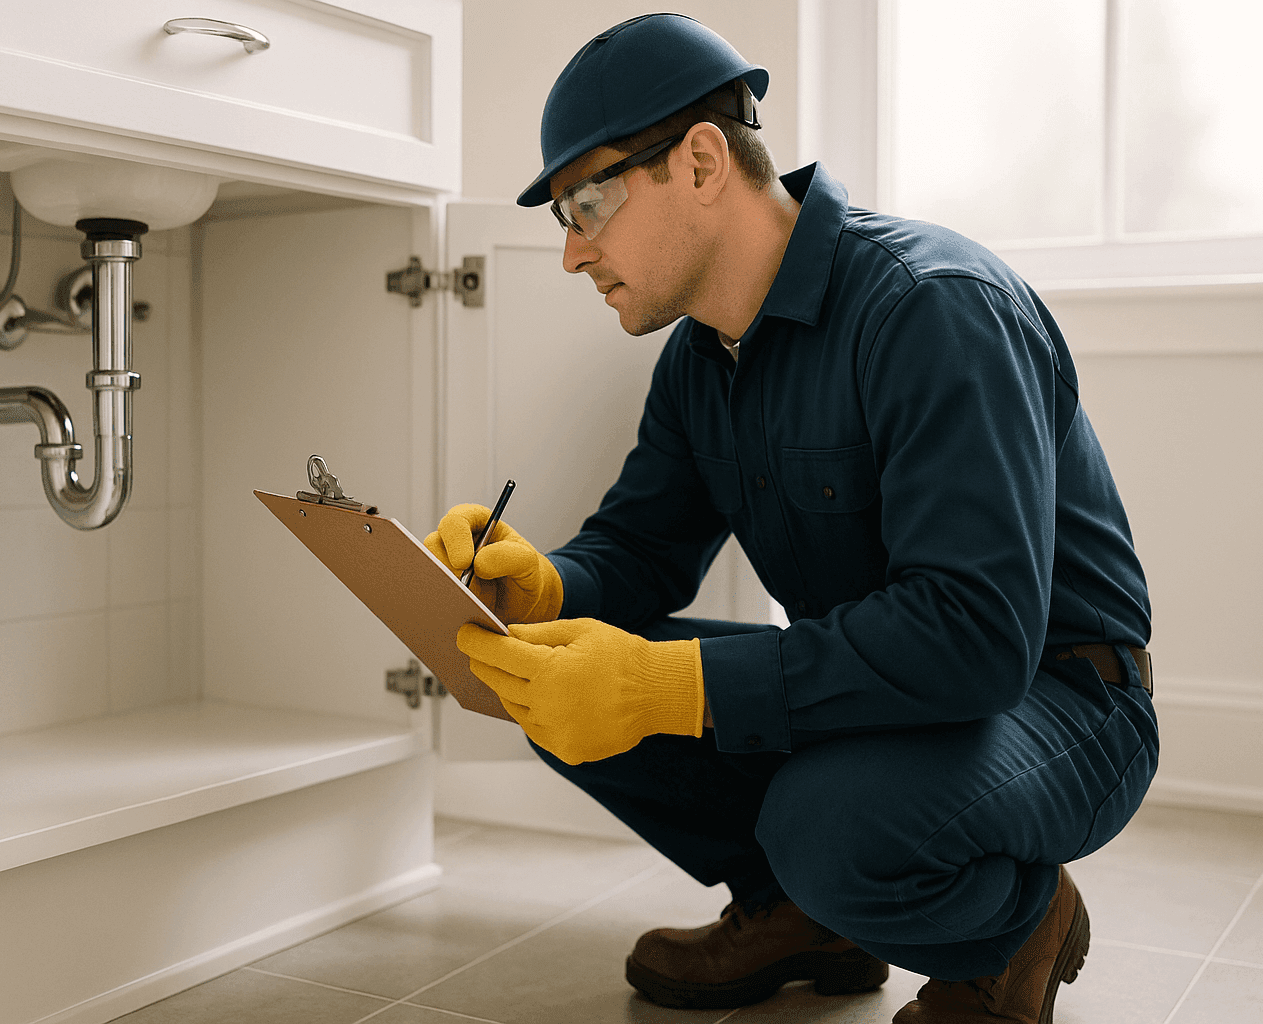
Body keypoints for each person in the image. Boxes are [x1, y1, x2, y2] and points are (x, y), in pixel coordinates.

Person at [424, 13, 1157, 1022]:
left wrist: (661, 685)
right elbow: (638, 550)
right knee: (553, 669)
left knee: (830, 823)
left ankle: (1010, 923)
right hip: (893, 700)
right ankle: (811, 915)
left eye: (587, 201)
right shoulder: (701, 358)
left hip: (1063, 700)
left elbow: (976, 640)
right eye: (563, 217)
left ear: (702, 160)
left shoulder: (930, 309)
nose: (572, 253)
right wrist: (544, 585)